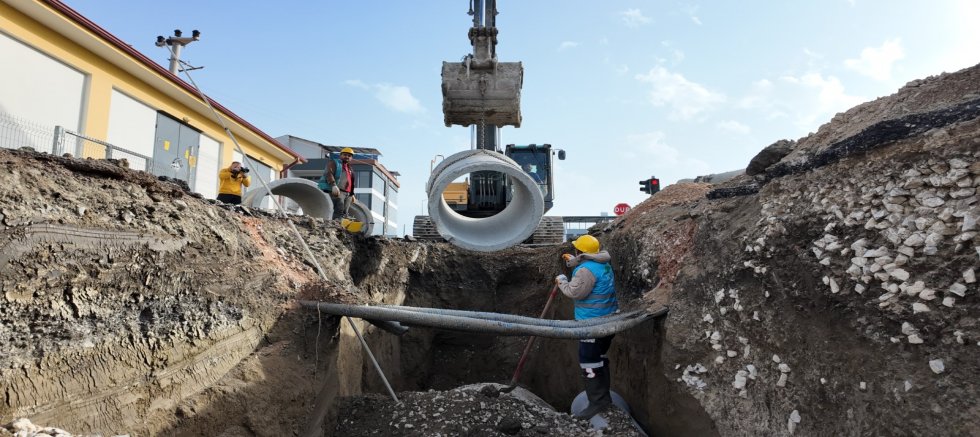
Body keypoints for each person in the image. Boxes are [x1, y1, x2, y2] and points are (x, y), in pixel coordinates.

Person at [555, 234, 618, 420]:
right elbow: (590, 273)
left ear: (580, 251)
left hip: (592, 323)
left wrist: (561, 280)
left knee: (588, 360)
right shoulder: (603, 263)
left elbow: (575, 291)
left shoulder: (584, 271)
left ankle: (597, 402)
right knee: (599, 357)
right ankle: (604, 398)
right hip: (608, 321)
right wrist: (575, 262)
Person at [318, 147, 356, 219]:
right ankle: (336, 225)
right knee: (339, 209)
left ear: (351, 158)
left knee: (345, 212)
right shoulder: (335, 163)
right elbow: (329, 173)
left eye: (349, 156)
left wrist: (352, 193)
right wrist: (333, 185)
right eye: (345, 155)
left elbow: (351, 182)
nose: (347, 157)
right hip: (338, 191)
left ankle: (342, 228)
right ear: (340, 155)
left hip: (348, 194)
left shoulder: (350, 169)